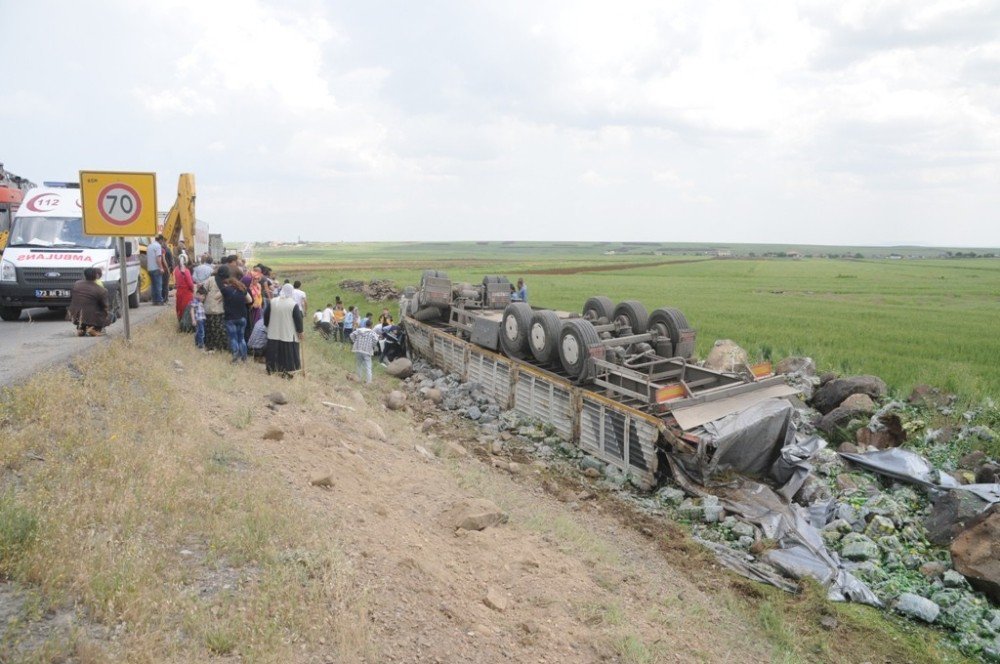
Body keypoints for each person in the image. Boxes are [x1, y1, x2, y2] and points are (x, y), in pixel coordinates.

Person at [264, 283, 304, 377]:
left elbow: (266, 315)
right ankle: (288, 372)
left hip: (273, 332)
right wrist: (300, 331)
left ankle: (272, 370)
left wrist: (267, 325)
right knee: (288, 353)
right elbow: (298, 319)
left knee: (273, 352)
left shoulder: (273, 301)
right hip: (288, 332)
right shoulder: (293, 304)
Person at [68, 267, 110, 337]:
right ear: (96, 276)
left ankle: (81, 329)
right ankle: (95, 329)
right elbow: (105, 307)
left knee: (86, 312)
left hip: (74, 316)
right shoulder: (102, 290)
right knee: (112, 315)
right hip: (92, 318)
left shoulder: (76, 284)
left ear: (84, 275)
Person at [220, 269, 250, 362]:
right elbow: (249, 300)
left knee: (233, 338)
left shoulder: (225, 290)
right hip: (242, 317)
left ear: (229, 283)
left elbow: (216, 297)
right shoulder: (243, 289)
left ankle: (235, 358)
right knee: (241, 338)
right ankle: (244, 358)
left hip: (230, 318)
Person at [350, 317, 378, 383]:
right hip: (367, 350)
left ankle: (358, 379)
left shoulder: (359, 330)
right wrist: (372, 345)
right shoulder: (372, 333)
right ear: (371, 325)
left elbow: (351, 335)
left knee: (359, 365)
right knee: (368, 366)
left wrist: (355, 341)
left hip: (358, 349)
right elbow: (376, 340)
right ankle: (369, 382)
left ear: (365, 324)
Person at [173, 255, 195, 321]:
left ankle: (180, 321)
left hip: (179, 291)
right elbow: (190, 284)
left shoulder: (176, 270)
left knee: (179, 307)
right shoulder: (186, 271)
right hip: (186, 292)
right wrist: (193, 290)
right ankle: (185, 324)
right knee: (186, 309)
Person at [147, 235, 165, 306]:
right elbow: (158, 259)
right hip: (156, 268)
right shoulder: (158, 246)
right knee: (158, 285)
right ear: (160, 240)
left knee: (153, 286)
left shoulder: (149, 246)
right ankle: (159, 300)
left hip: (150, 269)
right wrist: (161, 268)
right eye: (162, 241)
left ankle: (154, 301)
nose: (162, 242)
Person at [161, 237, 174, 304]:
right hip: (166, 269)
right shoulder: (168, 250)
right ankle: (165, 298)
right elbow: (171, 261)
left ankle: (163, 298)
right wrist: (171, 269)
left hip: (162, 269)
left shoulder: (161, 250)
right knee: (165, 284)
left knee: (163, 284)